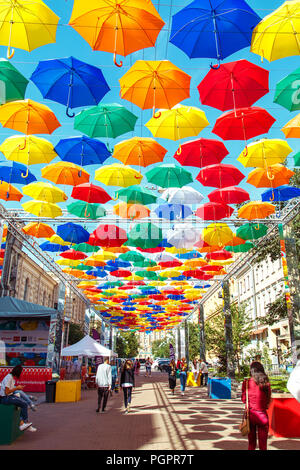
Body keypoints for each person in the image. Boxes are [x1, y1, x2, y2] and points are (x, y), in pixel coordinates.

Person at [241, 361, 272, 451]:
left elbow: (243, 399)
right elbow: (268, 400)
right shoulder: (266, 383)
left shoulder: (246, 383)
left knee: (251, 444)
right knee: (263, 445)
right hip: (262, 415)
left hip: (250, 416)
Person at [0, 365, 36, 432]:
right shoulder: (9, 378)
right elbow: (7, 392)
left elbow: (10, 390)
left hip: (9, 396)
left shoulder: (11, 378)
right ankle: (24, 423)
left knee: (22, 399)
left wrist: (18, 388)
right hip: (5, 398)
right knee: (24, 404)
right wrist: (17, 388)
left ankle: (23, 423)